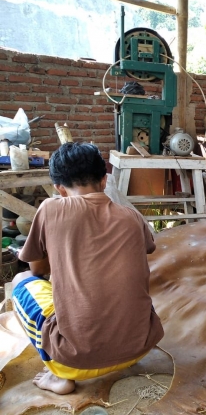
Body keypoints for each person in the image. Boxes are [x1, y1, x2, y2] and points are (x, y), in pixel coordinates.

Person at [11, 142, 164, 395]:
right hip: (139, 348)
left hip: (76, 362)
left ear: (59, 188)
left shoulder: (50, 209)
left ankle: (58, 374)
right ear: (104, 181)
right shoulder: (132, 217)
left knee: (21, 281)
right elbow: (147, 249)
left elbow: (36, 270)